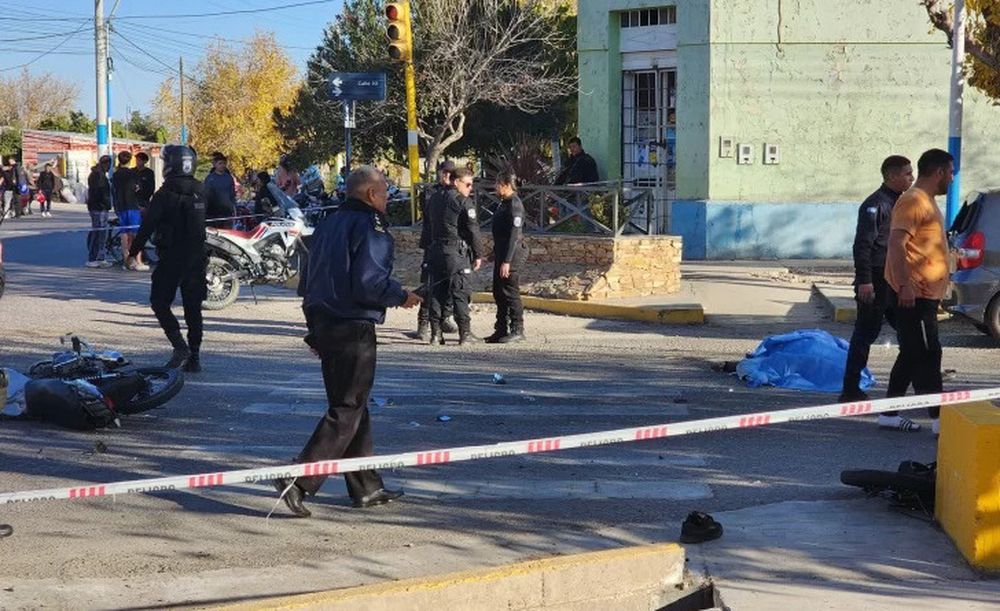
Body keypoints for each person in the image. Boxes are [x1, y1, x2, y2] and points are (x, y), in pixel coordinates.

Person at [272, 166, 421, 518]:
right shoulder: (370, 227)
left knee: (353, 405)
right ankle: (298, 480)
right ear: (370, 194)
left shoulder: (328, 224)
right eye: (384, 191)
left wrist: (314, 329)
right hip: (352, 326)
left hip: (325, 322)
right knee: (348, 407)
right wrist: (401, 296)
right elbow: (369, 282)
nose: (387, 198)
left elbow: (309, 282)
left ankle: (366, 486)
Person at [884, 148, 953, 436]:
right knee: (928, 353)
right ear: (939, 172)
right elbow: (896, 244)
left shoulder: (927, 200)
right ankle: (939, 421)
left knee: (912, 353)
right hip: (913, 295)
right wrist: (905, 285)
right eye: (951, 172)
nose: (952, 178)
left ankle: (889, 414)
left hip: (925, 295)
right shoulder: (913, 200)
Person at [839, 156, 914, 418]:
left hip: (893, 280)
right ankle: (850, 389)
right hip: (876, 280)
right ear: (891, 176)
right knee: (865, 333)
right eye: (907, 174)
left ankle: (918, 386)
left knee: (909, 333)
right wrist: (865, 281)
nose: (911, 178)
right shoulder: (876, 204)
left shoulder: (900, 202)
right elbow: (863, 245)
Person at [127, 145, 208, 373]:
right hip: (197, 257)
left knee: (159, 302)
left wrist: (133, 252)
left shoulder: (164, 194)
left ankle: (180, 346)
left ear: (170, 165)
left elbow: (148, 225)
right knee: (193, 308)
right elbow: (223, 209)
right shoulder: (201, 190)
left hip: (172, 256)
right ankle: (195, 356)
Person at [426, 167, 483, 345]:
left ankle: (436, 334)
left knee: (437, 292)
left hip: (435, 250)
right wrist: (478, 254)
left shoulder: (434, 198)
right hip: (455, 253)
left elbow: (428, 225)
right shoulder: (462, 201)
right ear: (456, 182)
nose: (470, 188)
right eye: (468, 184)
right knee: (460, 291)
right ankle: (465, 334)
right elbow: (473, 230)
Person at [414, 160, 458, 341]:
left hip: (450, 245)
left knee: (450, 283)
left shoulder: (456, 193)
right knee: (429, 283)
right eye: (444, 172)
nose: (446, 175)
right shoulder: (430, 192)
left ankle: (445, 318)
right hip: (432, 243)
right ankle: (423, 322)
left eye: (450, 173)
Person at [485, 170, 529, 344]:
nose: (495, 187)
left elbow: (514, 236)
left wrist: (507, 261)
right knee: (498, 290)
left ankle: (517, 329)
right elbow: (501, 234)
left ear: (507, 185)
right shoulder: (504, 203)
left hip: (513, 253)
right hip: (502, 252)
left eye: (498, 184)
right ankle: (501, 329)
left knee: (510, 291)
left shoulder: (515, 205)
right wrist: (494, 253)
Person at [113, 151, 147, 271]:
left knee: (124, 232)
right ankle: (138, 260)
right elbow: (137, 188)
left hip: (120, 206)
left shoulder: (116, 174)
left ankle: (126, 260)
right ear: (129, 160)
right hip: (132, 205)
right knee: (136, 234)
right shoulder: (132, 173)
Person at [86, 156, 114, 268]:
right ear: (106, 164)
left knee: (99, 232)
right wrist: (107, 204)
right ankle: (94, 257)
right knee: (99, 232)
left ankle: (99, 257)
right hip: (99, 207)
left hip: (96, 207)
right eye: (108, 165)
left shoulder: (96, 174)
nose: (109, 167)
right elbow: (101, 193)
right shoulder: (98, 176)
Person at [203, 152, 236, 228]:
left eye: (224, 163)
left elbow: (232, 194)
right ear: (215, 165)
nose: (222, 165)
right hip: (213, 213)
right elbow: (206, 195)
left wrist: (233, 206)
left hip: (227, 213)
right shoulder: (210, 178)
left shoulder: (229, 178)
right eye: (220, 163)